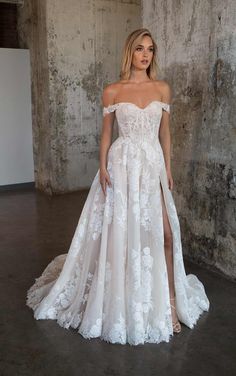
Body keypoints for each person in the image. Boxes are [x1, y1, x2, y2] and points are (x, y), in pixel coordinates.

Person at [27, 28, 210, 346]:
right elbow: (106, 133)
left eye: (150, 50)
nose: (145, 55)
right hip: (122, 165)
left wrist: (167, 167)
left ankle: (168, 302)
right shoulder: (113, 90)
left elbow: (165, 133)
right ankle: (122, 298)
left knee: (165, 234)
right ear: (130, 52)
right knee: (122, 234)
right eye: (140, 49)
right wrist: (102, 167)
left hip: (151, 165)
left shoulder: (162, 88)